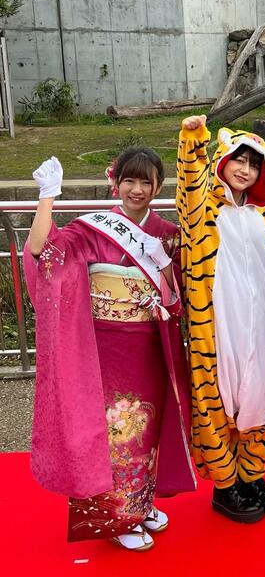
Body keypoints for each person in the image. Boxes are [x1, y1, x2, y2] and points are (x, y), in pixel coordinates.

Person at [24, 148, 195, 551]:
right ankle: (117, 518)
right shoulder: (91, 231)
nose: (137, 189)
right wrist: (48, 195)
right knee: (119, 433)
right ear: (114, 181)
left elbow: (179, 299)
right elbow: (41, 254)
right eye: (129, 180)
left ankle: (141, 504)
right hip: (105, 347)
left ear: (158, 186)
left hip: (151, 345)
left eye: (146, 182)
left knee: (150, 429)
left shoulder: (166, 234)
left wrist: (164, 268)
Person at [176, 115, 265, 523]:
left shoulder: (264, 215)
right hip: (217, 327)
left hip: (262, 325)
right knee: (218, 404)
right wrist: (192, 139)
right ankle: (225, 486)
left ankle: (252, 475)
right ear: (222, 161)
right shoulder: (202, 209)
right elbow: (189, 181)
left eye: (254, 163)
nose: (245, 169)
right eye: (239, 160)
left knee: (259, 400)